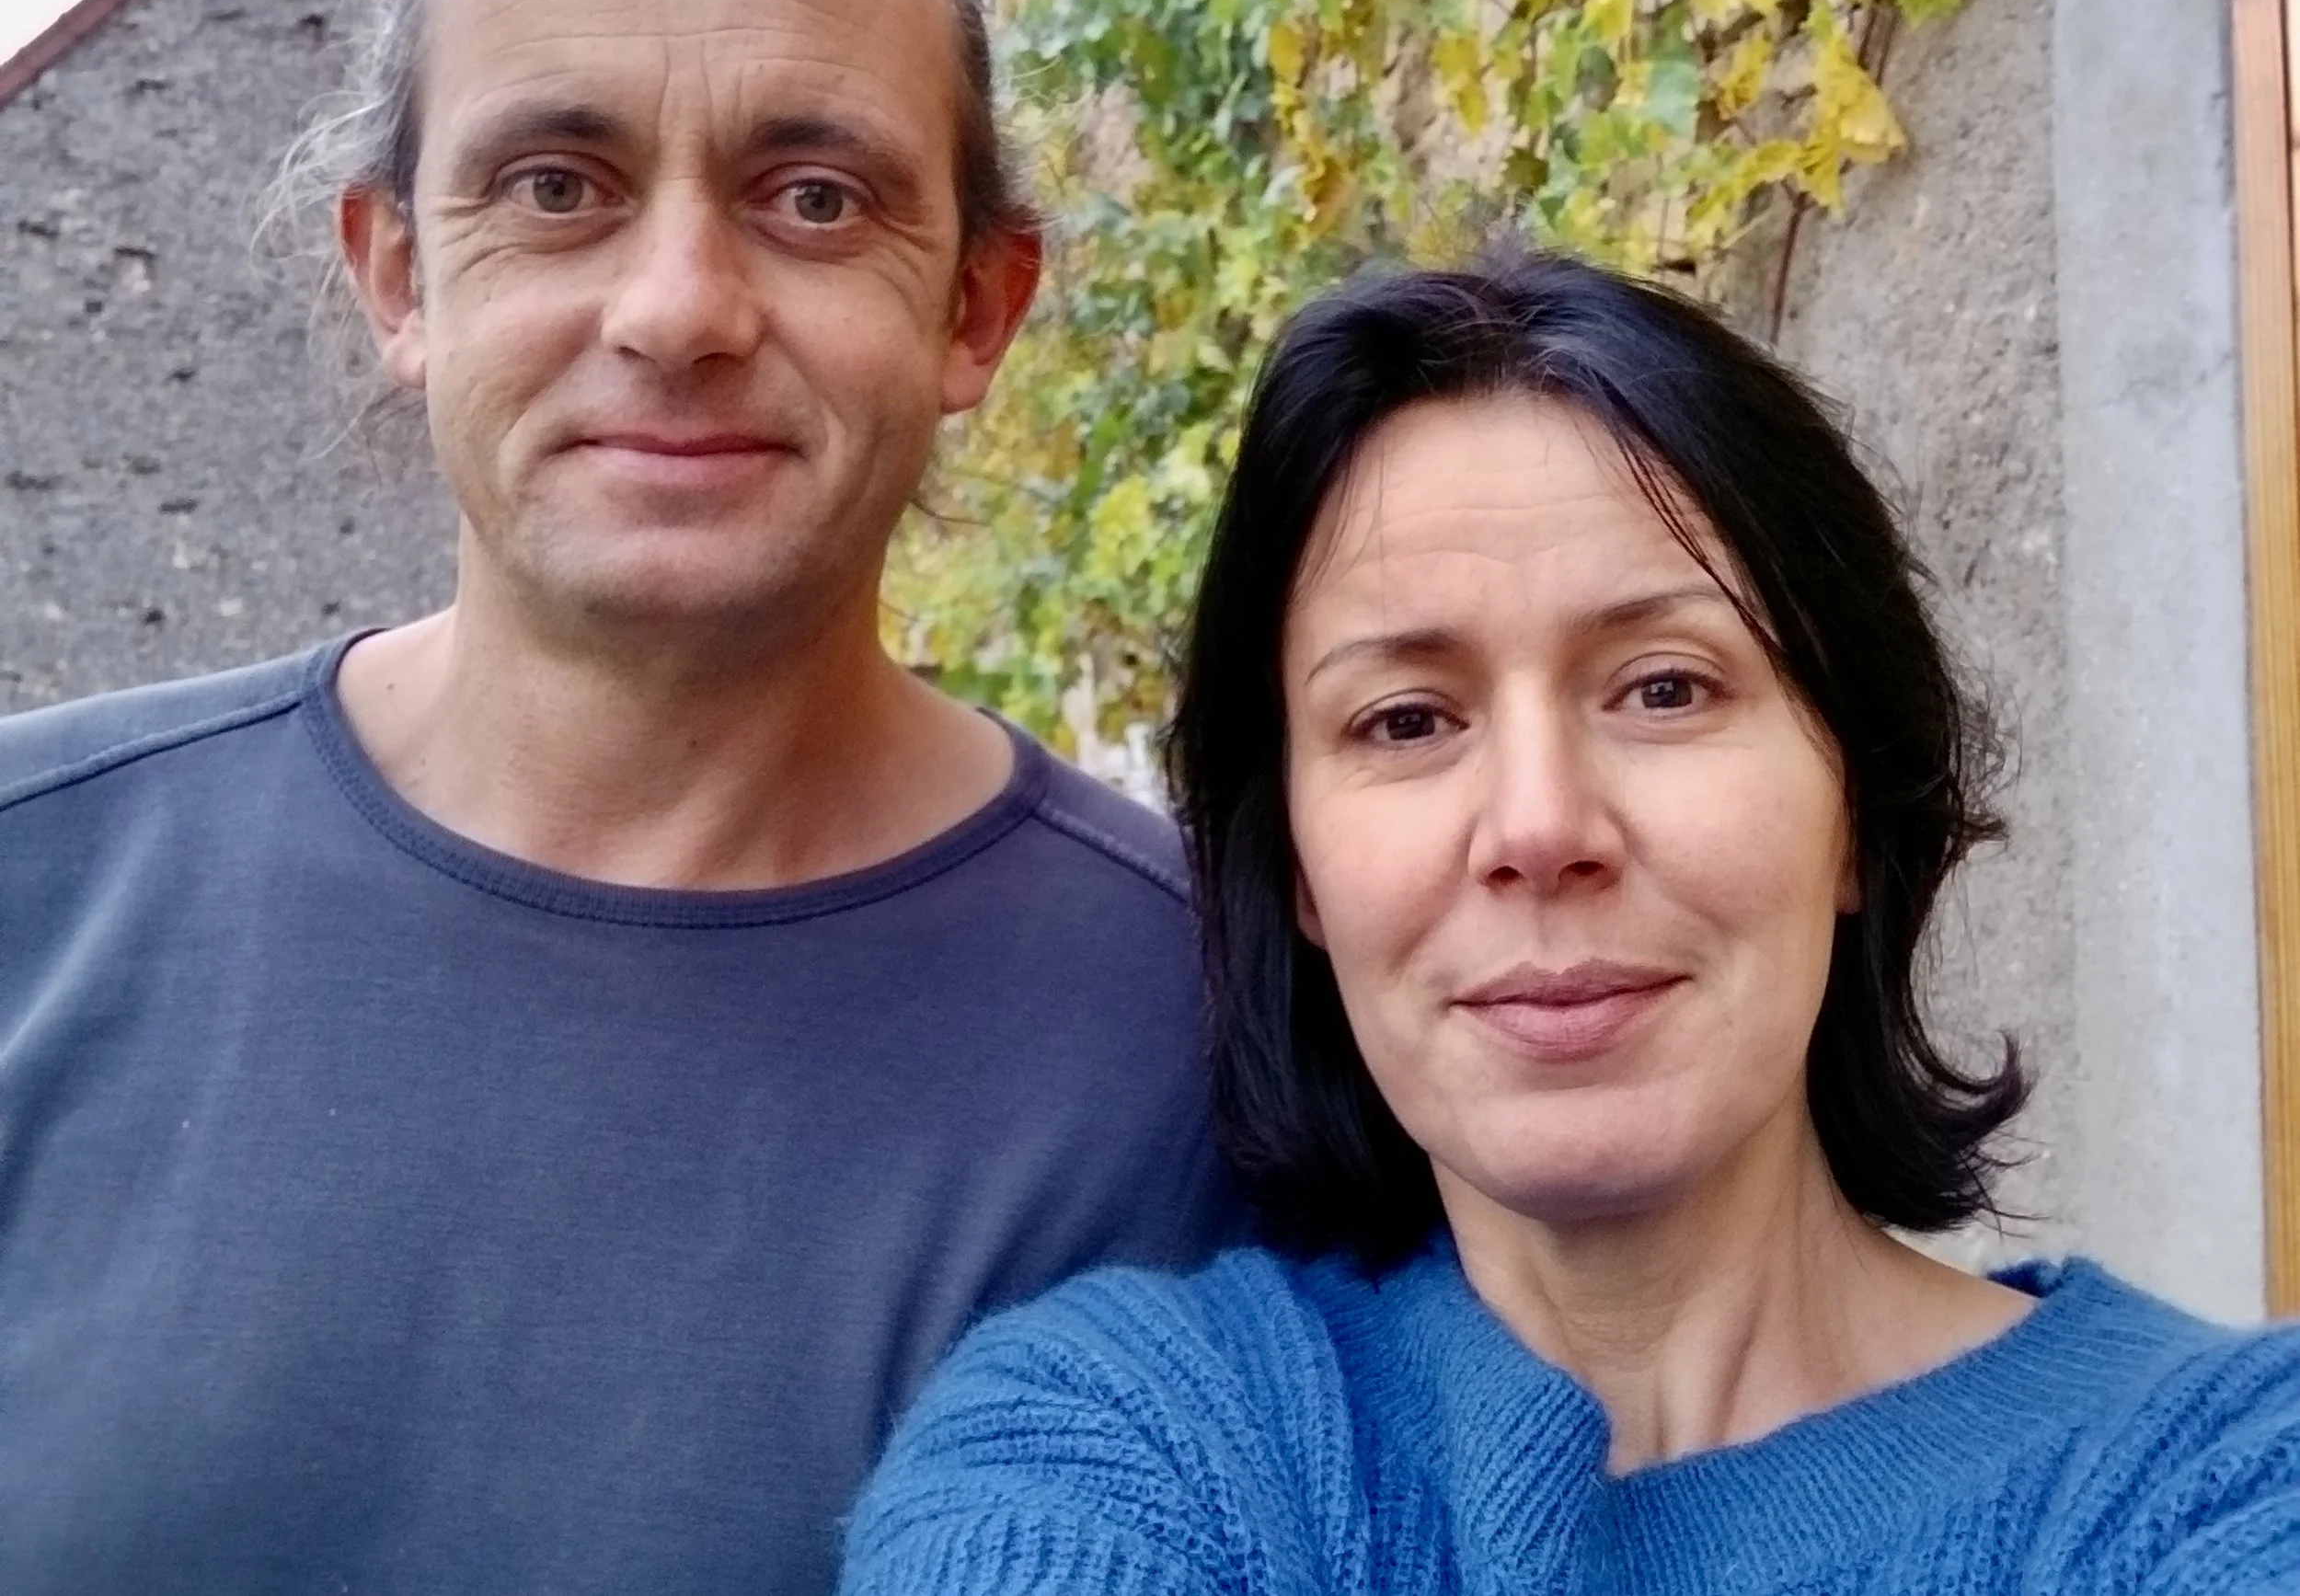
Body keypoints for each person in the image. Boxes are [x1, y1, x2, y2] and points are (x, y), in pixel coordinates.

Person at [0, 0, 1236, 1596]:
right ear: (398, 273)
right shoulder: (40, 902)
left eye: (812, 198)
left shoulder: (1211, 1052)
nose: (674, 308)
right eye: (556, 188)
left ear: (976, 307)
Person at [842, 255, 2300, 1595]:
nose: (1540, 827)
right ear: (1294, 863)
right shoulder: (1115, 1445)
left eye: (1665, 688)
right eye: (1406, 720)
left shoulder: (2230, 1482)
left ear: (1854, 802)